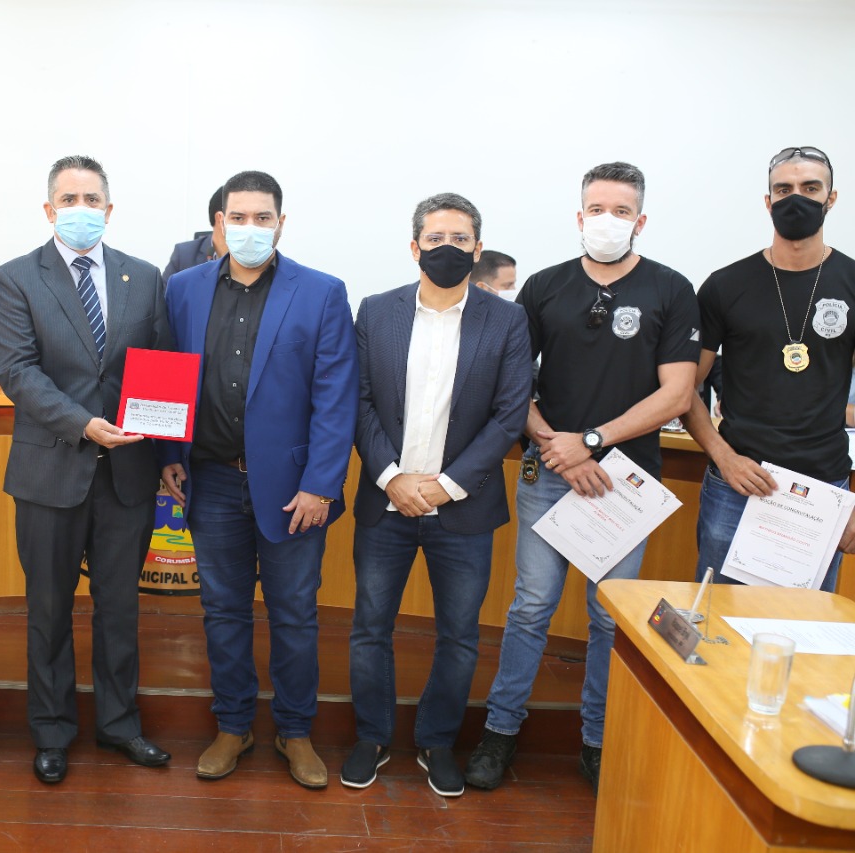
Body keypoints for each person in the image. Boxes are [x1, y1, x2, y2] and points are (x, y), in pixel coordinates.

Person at [464, 162, 700, 795]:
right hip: (550, 471)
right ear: (579, 216)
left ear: (641, 221)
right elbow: (513, 383)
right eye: (597, 209)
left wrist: (591, 442)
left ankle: (598, 741)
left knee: (609, 618)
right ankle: (500, 732)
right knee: (531, 607)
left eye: (621, 211)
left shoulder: (671, 289)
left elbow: (677, 394)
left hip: (626, 483)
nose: (607, 220)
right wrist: (557, 445)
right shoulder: (545, 286)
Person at [161, 170, 359, 789]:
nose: (251, 228)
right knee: (223, 612)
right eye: (239, 218)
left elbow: (337, 398)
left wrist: (321, 484)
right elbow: (167, 376)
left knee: (294, 615)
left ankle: (296, 731)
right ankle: (233, 725)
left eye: (263, 218)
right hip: (211, 480)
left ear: (280, 223)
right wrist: (168, 453)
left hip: (295, 489)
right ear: (220, 223)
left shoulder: (322, 292)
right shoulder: (182, 289)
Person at [0, 155, 173, 785]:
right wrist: (84, 424)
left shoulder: (144, 277)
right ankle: (51, 731)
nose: (81, 210)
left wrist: (164, 448)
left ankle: (120, 724)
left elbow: (160, 366)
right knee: (48, 611)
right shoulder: (15, 278)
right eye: (68, 200)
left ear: (109, 209)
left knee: (119, 609)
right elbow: (17, 371)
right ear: (49, 210)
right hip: (50, 472)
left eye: (91, 200)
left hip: (128, 473)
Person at [345, 193, 530, 796]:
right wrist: (392, 477)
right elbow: (359, 401)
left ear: (477, 249)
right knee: (370, 627)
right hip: (386, 501)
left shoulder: (506, 320)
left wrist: (447, 487)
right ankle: (372, 736)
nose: (446, 248)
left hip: (464, 508)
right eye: (435, 238)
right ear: (414, 246)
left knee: (459, 635)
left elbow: (508, 415)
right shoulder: (377, 311)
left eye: (459, 239)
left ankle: (436, 740)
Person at [682, 146, 855, 592]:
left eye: (810, 188)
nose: (796, 198)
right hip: (736, 482)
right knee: (716, 618)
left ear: (831, 198)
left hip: (824, 489)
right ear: (768, 200)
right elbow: (684, 390)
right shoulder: (725, 285)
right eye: (784, 189)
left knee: (803, 624)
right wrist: (725, 457)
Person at [161, 187, 227, 282]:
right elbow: (166, 290)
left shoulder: (248, 256)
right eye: (238, 217)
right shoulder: (184, 255)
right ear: (220, 219)